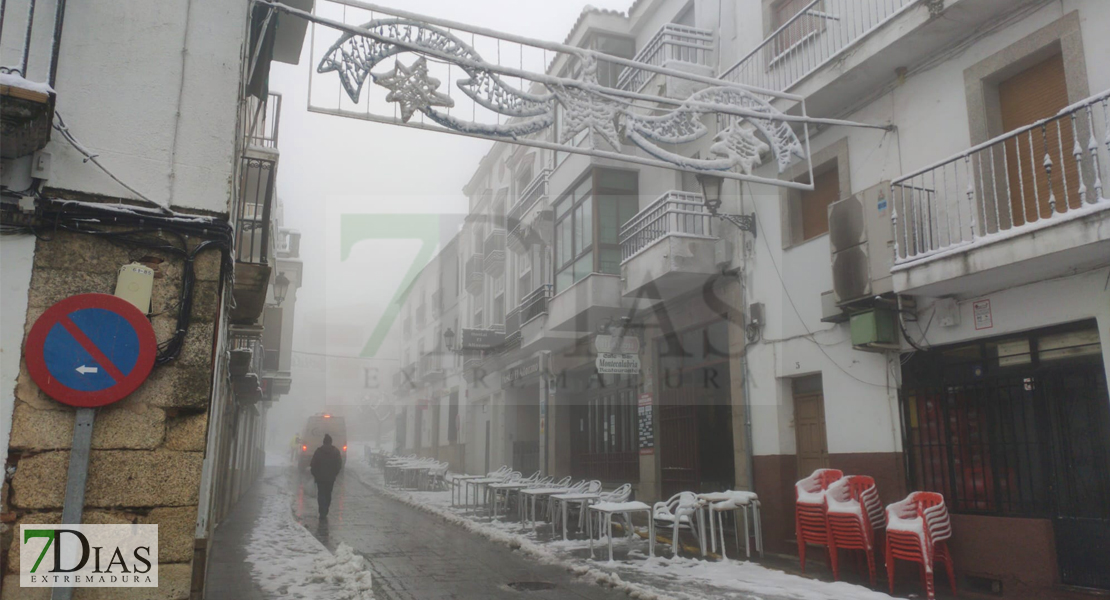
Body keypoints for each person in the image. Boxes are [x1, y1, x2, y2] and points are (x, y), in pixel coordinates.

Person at [310, 434, 343, 518]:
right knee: (328, 494)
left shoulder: (318, 451)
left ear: (323, 442)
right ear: (331, 442)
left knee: (321, 494)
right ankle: (326, 510)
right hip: (330, 478)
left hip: (320, 478)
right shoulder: (336, 451)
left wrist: (315, 474)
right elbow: (339, 464)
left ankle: (322, 511)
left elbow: (313, 464)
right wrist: (334, 473)